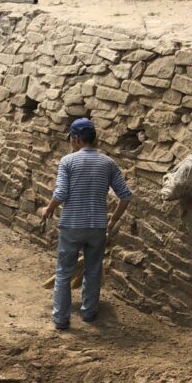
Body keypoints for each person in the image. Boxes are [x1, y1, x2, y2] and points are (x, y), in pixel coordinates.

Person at [39, 117, 132, 330]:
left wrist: (48, 209)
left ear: (77, 138)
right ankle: (89, 312)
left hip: (72, 225)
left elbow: (61, 192)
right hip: (97, 226)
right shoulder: (108, 163)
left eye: (71, 137)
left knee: (64, 272)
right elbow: (125, 196)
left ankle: (61, 319)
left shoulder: (68, 161)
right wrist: (114, 219)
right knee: (92, 270)